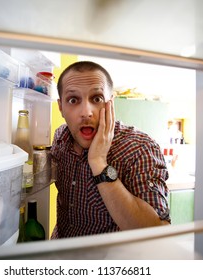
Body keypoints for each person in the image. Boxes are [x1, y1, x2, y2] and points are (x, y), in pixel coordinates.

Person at [51, 61, 170, 239]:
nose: (86, 112)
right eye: (73, 100)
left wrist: (99, 162)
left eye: (97, 99)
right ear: (61, 107)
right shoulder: (61, 137)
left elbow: (157, 232)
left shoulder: (140, 147)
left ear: (110, 103)